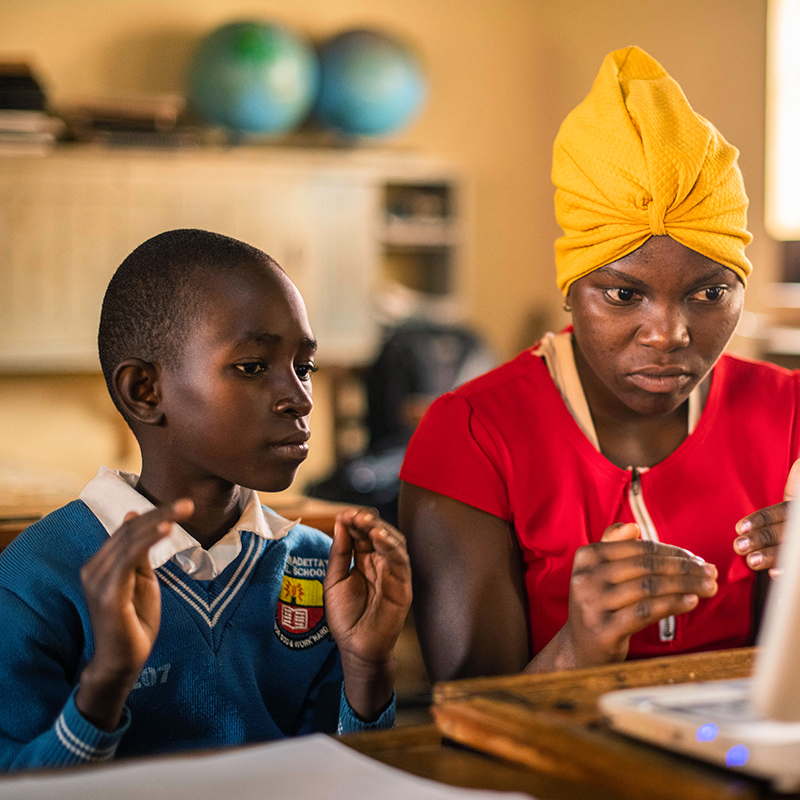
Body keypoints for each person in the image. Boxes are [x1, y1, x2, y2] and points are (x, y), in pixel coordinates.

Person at [399, 46, 799, 683]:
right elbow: (469, 717)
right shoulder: (472, 436)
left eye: (709, 293)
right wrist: (579, 648)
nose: (668, 334)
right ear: (570, 286)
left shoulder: (790, 415)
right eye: (623, 294)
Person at [0, 229, 412, 771]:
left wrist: (367, 669)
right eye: (253, 366)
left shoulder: (318, 564)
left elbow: (344, 776)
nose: (300, 397)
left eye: (304, 366)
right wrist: (104, 685)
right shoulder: (36, 578)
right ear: (146, 391)